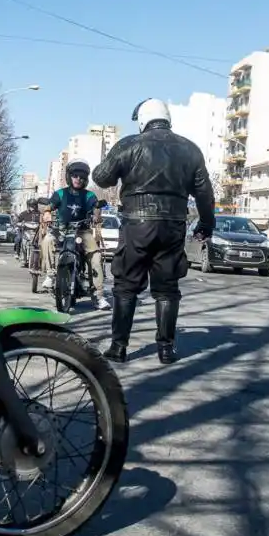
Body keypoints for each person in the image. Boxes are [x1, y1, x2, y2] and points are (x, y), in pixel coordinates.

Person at [92, 98, 215, 364]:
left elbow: (102, 177)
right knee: (167, 287)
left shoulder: (130, 144)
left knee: (126, 285)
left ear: (142, 121)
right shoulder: (190, 149)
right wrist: (207, 223)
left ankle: (119, 347)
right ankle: (166, 349)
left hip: (137, 224)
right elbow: (205, 192)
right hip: (173, 225)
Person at [40, 159, 110, 310]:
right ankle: (51, 275)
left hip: (82, 231)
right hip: (61, 230)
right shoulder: (60, 193)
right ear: (69, 176)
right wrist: (47, 212)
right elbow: (50, 205)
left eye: (82, 176)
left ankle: (98, 296)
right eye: (75, 175)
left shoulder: (89, 195)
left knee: (96, 257)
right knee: (47, 240)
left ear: (85, 179)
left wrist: (97, 214)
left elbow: (96, 208)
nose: (78, 179)